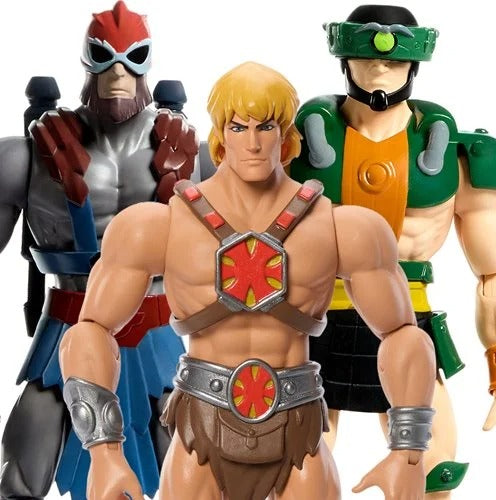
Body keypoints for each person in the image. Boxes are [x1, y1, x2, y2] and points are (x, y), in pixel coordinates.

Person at [59, 61, 436, 500]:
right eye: (239, 127)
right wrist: (104, 453)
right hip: (202, 425)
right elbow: (89, 332)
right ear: (220, 136)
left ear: (287, 136)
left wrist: (408, 452)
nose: (253, 143)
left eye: (266, 127)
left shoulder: (344, 229)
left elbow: (403, 334)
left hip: (297, 426)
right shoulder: (158, 226)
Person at [290, 4, 496, 496]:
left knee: (433, 469)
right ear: (344, 58)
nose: (380, 68)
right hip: (319, 319)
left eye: (393, 59)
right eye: (368, 58)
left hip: (408, 320)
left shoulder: (456, 158)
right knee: (295, 470)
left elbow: (493, 275)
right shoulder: (291, 148)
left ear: (414, 62)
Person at [0, 2, 197, 498]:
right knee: (23, 469)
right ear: (87, 60)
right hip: (68, 323)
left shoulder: (195, 156)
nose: (118, 73)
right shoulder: (24, 155)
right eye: (104, 57)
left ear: (148, 63)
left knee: (194, 470)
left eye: (133, 58)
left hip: (157, 327)